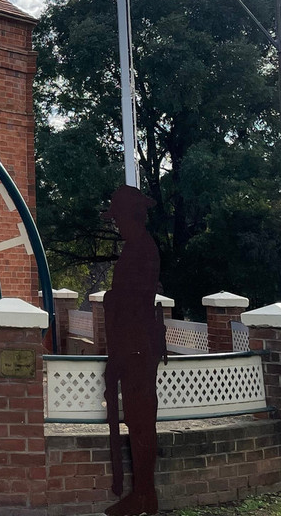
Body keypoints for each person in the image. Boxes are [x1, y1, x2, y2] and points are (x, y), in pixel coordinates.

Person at [103, 184, 167, 516]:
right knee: (137, 420)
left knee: (142, 420)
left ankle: (144, 493)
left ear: (132, 216)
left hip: (138, 347)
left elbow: (132, 304)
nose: (117, 225)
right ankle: (142, 493)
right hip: (132, 346)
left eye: (119, 218)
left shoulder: (142, 250)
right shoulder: (136, 249)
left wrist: (113, 304)